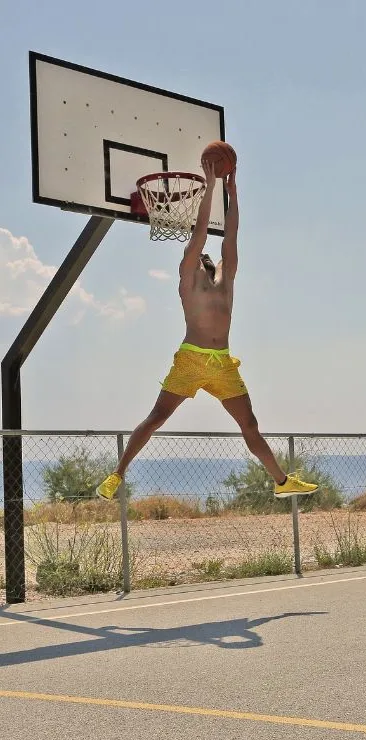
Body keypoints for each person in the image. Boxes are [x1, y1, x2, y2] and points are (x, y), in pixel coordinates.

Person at [96, 160, 318, 500]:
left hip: (222, 363)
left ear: (212, 263)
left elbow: (231, 235)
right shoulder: (187, 279)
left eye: (205, 255)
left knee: (251, 425)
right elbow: (199, 234)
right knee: (156, 417)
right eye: (196, 252)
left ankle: (282, 482)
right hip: (191, 359)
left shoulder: (225, 281)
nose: (199, 253)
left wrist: (233, 193)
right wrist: (211, 187)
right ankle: (117, 475)